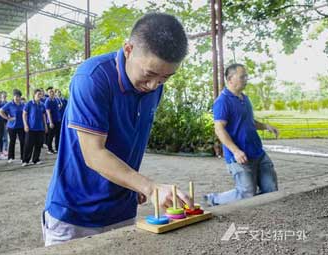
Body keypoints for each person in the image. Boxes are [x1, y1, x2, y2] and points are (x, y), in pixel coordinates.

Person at [43, 13, 193, 246]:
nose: (154, 85)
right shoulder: (92, 78)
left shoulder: (155, 87)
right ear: (128, 49)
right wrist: (150, 187)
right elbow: (94, 154)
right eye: (150, 74)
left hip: (122, 210)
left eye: (165, 77)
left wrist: (133, 184)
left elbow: (130, 138)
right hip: (74, 214)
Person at [204, 63, 279, 206]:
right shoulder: (222, 101)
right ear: (230, 79)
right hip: (238, 157)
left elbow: (249, 121)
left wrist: (265, 126)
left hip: (258, 153)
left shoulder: (245, 98)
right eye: (242, 76)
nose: (246, 79)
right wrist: (236, 151)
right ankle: (214, 199)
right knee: (246, 194)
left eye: (246, 76)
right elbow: (219, 129)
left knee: (271, 190)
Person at [0, 89, 25, 163]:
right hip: (12, 127)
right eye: (15, 96)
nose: (17, 98)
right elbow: (0, 111)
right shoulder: (9, 104)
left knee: (22, 141)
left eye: (18, 96)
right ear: (13, 96)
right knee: (12, 141)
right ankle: (10, 157)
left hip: (21, 126)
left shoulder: (23, 104)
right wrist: (8, 118)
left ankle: (23, 157)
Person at [22, 89, 48, 166]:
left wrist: (45, 126)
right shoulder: (29, 104)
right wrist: (25, 125)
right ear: (34, 95)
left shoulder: (42, 104)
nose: (40, 96)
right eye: (38, 94)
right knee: (28, 144)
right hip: (31, 128)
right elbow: (24, 114)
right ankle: (25, 160)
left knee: (38, 144)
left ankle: (36, 159)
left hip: (40, 128)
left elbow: (44, 116)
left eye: (40, 94)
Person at [44, 87, 61, 154]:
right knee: (50, 135)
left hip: (58, 120)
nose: (52, 93)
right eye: (50, 92)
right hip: (51, 121)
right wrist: (51, 122)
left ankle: (57, 148)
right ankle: (49, 149)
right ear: (48, 93)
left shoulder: (56, 100)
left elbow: (58, 108)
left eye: (52, 91)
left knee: (58, 135)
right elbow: (48, 112)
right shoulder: (48, 101)